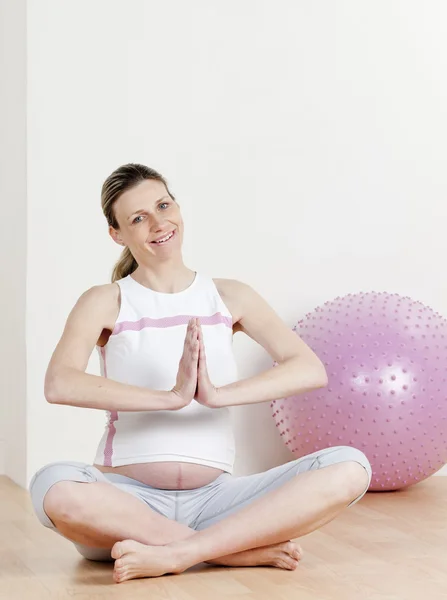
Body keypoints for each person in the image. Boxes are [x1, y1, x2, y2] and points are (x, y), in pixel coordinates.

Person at [29, 163, 372, 583]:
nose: (158, 223)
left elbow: (308, 368)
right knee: (52, 484)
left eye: (163, 205)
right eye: (138, 218)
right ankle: (228, 552)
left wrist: (218, 394)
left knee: (351, 465)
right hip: (125, 506)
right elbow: (59, 382)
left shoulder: (229, 295)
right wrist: (170, 398)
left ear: (177, 207)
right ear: (117, 234)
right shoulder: (106, 300)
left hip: (217, 501)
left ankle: (184, 551)